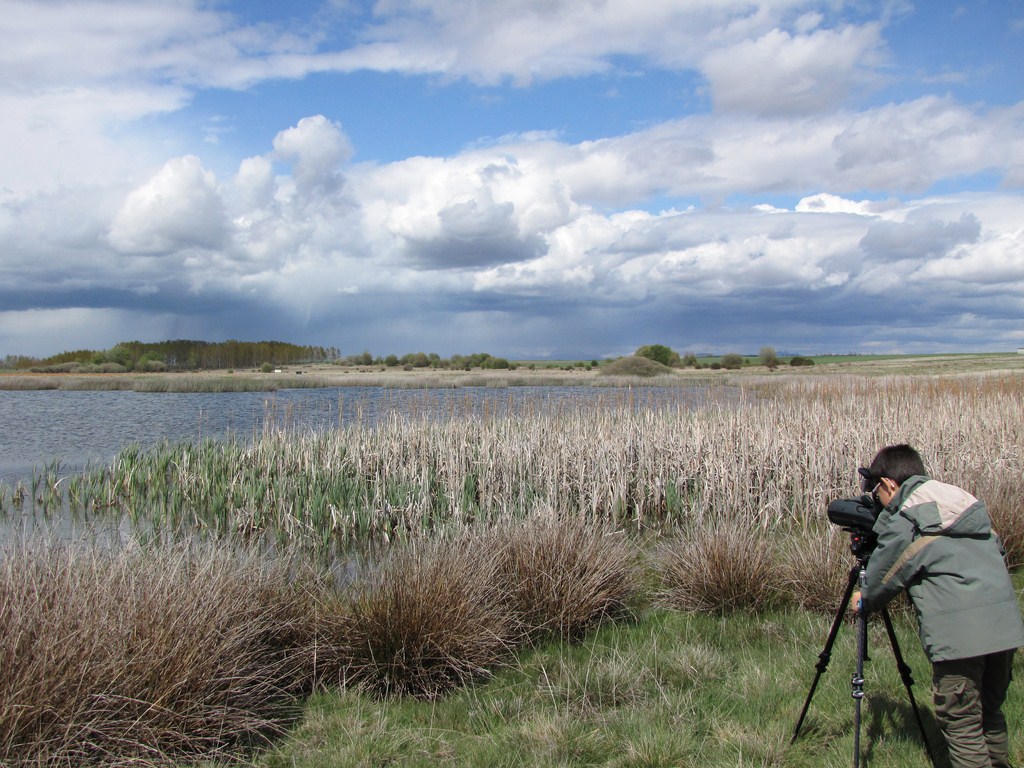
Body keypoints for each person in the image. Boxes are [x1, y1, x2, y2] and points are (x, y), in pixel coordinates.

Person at [850, 443, 1024, 768]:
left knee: (963, 725)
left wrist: (863, 598)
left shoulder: (908, 514)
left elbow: (882, 578)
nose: (878, 502)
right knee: (989, 712)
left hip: (960, 639)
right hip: (1004, 627)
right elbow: (998, 553)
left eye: (877, 493)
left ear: (888, 484)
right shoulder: (961, 499)